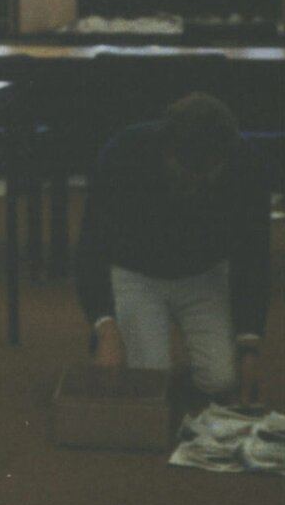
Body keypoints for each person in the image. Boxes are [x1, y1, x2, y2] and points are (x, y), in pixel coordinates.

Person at [74, 92, 271, 404]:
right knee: (150, 382)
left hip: (204, 275)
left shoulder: (246, 163)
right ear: (166, 149)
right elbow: (91, 248)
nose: (199, 180)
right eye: (190, 170)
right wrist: (104, 327)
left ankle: (175, 376)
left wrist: (250, 345)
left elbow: (254, 257)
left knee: (222, 380)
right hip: (135, 274)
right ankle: (143, 355)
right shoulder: (123, 153)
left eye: (209, 171)